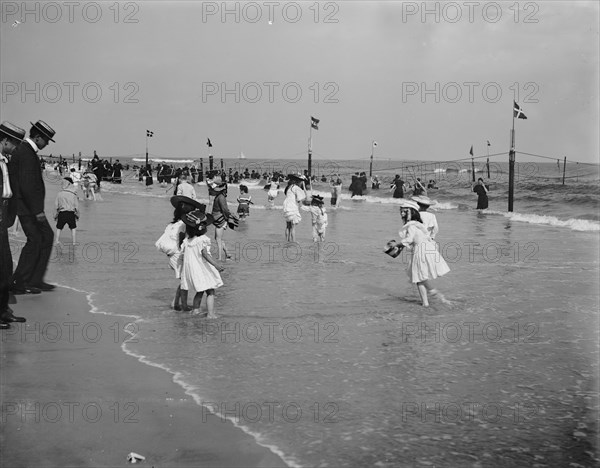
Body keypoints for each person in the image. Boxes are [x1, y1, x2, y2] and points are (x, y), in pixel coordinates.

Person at [8, 120, 57, 294]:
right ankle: (22, 281)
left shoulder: (25, 150)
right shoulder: (27, 153)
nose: (46, 144)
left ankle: (33, 280)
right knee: (37, 239)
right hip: (28, 208)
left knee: (41, 238)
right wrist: (38, 211)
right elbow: (28, 185)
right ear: (38, 137)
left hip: (27, 206)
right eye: (46, 141)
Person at [392, 199, 450, 307]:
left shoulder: (411, 225)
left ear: (410, 212)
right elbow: (431, 233)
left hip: (420, 251)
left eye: (404, 211)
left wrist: (397, 245)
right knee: (420, 278)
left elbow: (409, 239)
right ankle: (432, 299)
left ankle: (430, 299)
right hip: (427, 248)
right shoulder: (418, 224)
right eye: (401, 211)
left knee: (419, 278)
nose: (402, 213)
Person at [0, 121, 27, 327]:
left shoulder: (5, 160)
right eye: (15, 144)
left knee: (6, 267)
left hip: (3, 216)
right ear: (5, 140)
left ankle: (3, 311)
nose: (16, 149)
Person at [158, 195, 205, 311]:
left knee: (183, 281)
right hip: (178, 255)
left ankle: (175, 303)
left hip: (172, 256)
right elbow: (181, 240)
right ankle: (183, 305)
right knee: (185, 282)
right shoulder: (183, 225)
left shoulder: (173, 224)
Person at [179, 209, 224, 318]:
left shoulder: (187, 241)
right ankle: (211, 314)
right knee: (211, 291)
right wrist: (216, 265)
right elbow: (205, 255)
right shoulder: (202, 240)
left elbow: (184, 256)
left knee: (200, 291)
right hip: (201, 270)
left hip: (192, 270)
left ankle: (195, 310)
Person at [211, 183, 238, 260]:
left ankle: (219, 258)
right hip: (219, 218)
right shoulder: (220, 197)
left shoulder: (220, 197)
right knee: (217, 238)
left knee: (218, 239)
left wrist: (227, 218)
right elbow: (225, 209)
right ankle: (227, 253)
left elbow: (225, 210)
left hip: (220, 219)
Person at [54, 177, 79, 245]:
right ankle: (74, 242)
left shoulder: (60, 193)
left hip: (62, 213)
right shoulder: (73, 194)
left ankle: (57, 240)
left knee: (59, 228)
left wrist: (55, 215)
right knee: (73, 228)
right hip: (71, 213)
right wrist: (77, 215)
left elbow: (56, 205)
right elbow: (76, 206)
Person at [282, 174, 307, 242]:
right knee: (293, 227)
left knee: (288, 226)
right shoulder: (295, 187)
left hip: (286, 205)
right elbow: (300, 198)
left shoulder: (288, 187)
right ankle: (294, 241)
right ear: (297, 181)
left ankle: (287, 240)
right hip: (292, 205)